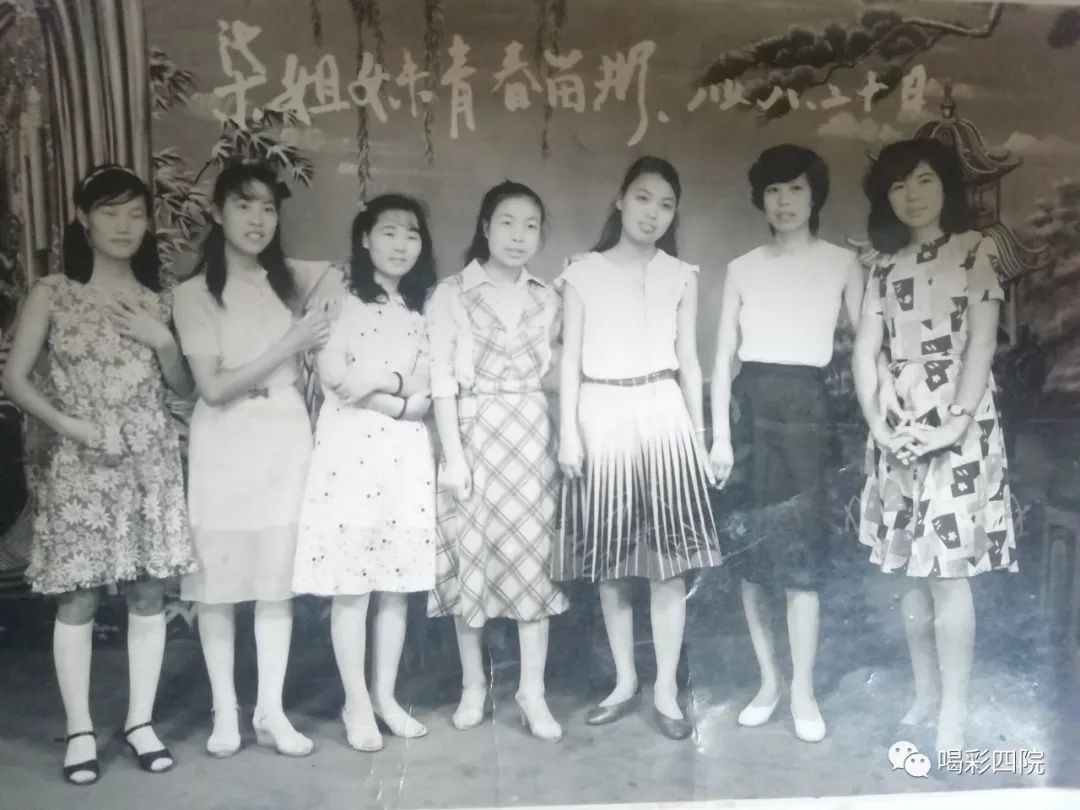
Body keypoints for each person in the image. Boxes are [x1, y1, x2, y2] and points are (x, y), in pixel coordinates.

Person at [1, 165, 196, 784]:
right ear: (84, 219)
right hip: (82, 462)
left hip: (149, 462)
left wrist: (164, 342)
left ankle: (140, 722)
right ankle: (81, 729)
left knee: (147, 594)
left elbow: (184, 390)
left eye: (136, 214)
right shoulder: (53, 292)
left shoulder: (158, 299)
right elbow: (14, 379)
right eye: (110, 212)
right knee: (79, 598)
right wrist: (70, 424)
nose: (124, 226)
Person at [852, 137, 1018, 754]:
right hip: (899, 426)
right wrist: (877, 421)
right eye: (898, 185)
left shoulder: (975, 250)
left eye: (923, 180)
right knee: (912, 573)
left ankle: (954, 714)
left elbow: (983, 344)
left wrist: (953, 424)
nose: (912, 195)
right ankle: (924, 696)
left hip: (959, 423)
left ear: (946, 185)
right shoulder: (880, 264)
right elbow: (865, 350)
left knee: (947, 574)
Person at [172, 160, 342, 758]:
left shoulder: (290, 279)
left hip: (284, 435)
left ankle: (271, 710)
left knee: (275, 581)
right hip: (224, 438)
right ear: (217, 213)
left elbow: (342, 275)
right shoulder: (193, 294)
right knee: (217, 584)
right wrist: (290, 343)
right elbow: (212, 387)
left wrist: (322, 308)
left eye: (268, 207)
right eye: (243, 205)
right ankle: (226, 710)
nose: (258, 219)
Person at [555, 156, 721, 740]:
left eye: (666, 204)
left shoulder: (682, 275)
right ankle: (624, 681)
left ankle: (666, 689)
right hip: (600, 414)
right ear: (621, 200)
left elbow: (691, 362)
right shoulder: (581, 273)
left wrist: (699, 439)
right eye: (644, 198)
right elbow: (568, 362)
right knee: (612, 564)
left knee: (668, 565)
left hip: (663, 413)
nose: (653, 213)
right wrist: (568, 432)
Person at [709, 145, 864, 743]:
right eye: (773, 190)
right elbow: (722, 360)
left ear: (814, 194)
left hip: (806, 412)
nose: (784, 201)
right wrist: (720, 439)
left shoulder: (843, 263)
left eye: (796, 188)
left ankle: (803, 691)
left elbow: (868, 347)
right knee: (751, 562)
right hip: (749, 412)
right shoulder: (742, 267)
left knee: (802, 560)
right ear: (761, 198)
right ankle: (768, 683)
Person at [293, 194, 438, 752]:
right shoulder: (339, 299)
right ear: (365, 238)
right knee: (352, 586)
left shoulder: (421, 310)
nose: (401, 244)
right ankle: (355, 702)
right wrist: (401, 398)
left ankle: (385, 697)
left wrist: (381, 383)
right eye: (389, 232)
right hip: (348, 453)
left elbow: (427, 388)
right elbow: (336, 378)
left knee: (395, 586)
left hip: (405, 455)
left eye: (412, 234)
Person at [426, 180, 568, 742]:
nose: (518, 235)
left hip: (531, 435)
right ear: (485, 227)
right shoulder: (450, 293)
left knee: (533, 561)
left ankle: (532, 692)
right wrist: (454, 459)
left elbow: (557, 372)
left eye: (530, 225)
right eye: (506, 222)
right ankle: (473, 686)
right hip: (473, 432)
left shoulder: (548, 296)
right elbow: (441, 381)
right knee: (472, 558)